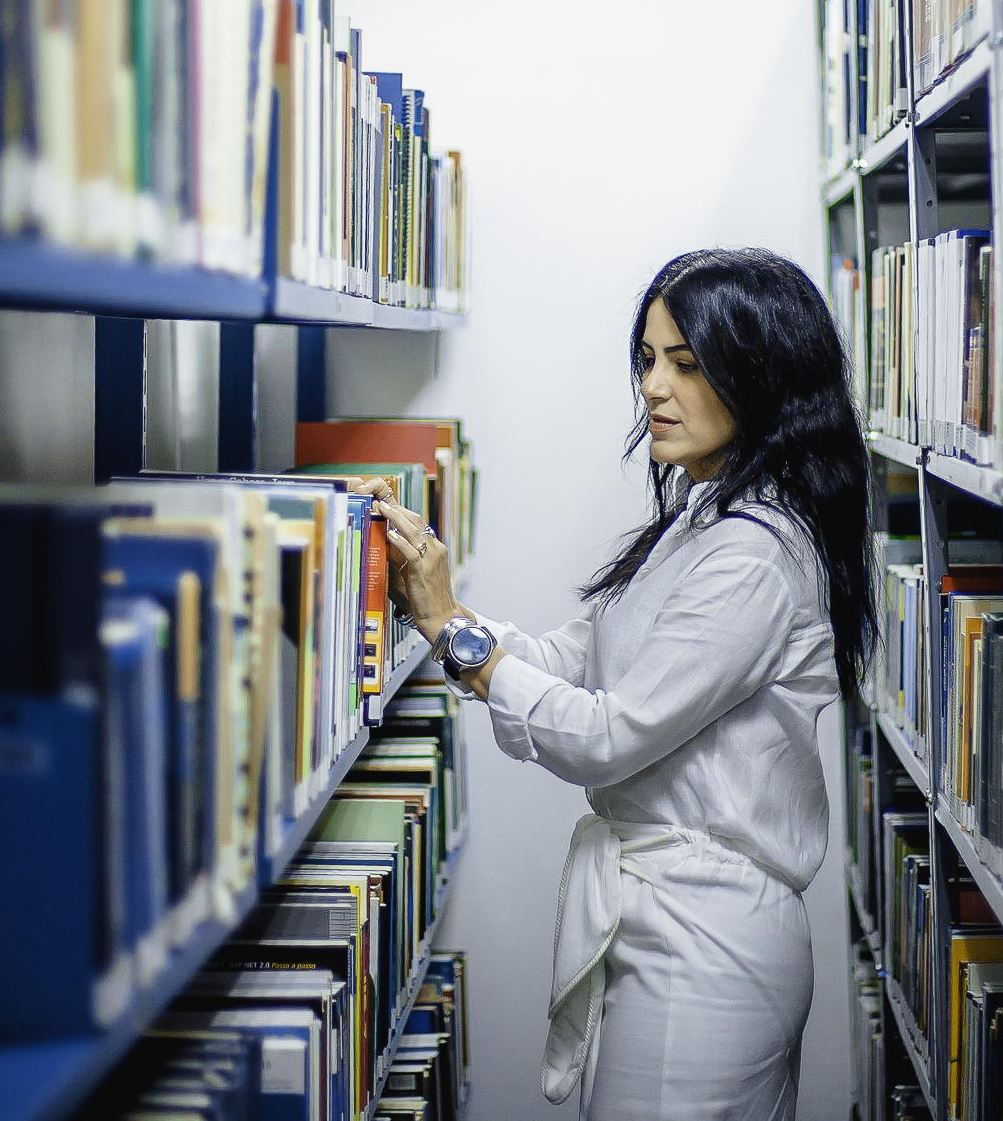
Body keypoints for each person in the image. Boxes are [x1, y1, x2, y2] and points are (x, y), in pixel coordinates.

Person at [353, 246, 875, 1120]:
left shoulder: (756, 551)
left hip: (707, 942)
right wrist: (426, 600)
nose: (653, 388)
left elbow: (606, 735)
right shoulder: (701, 518)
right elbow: (568, 660)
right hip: (666, 919)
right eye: (646, 360)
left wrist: (455, 631)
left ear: (762, 373)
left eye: (686, 363)